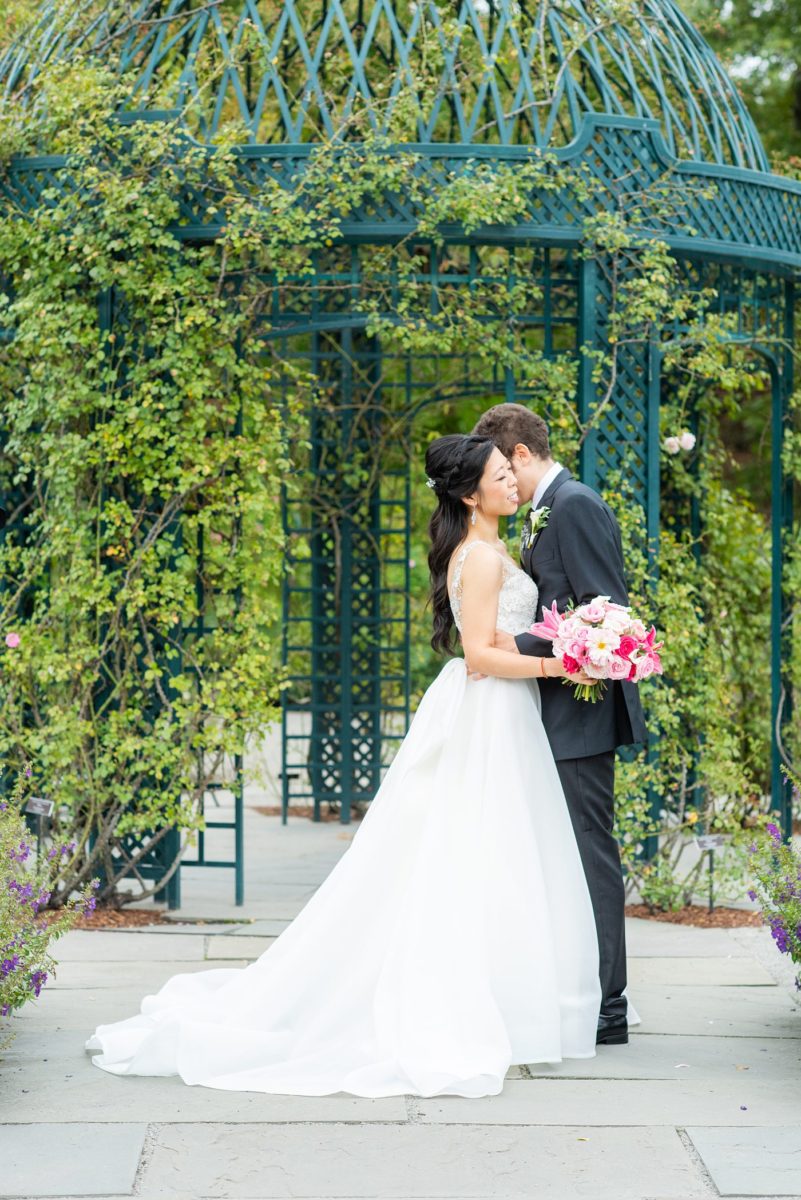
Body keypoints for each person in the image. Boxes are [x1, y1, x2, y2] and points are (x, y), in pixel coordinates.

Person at [86, 434, 601, 1098]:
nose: (512, 482)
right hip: (489, 707)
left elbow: (494, 634)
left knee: (494, 854)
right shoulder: (478, 558)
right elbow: (477, 655)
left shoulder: (492, 548)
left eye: (510, 471)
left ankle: (505, 991)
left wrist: (536, 642)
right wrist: (560, 662)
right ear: (470, 493)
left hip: (505, 712)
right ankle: (470, 997)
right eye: (500, 475)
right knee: (476, 849)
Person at [473, 404, 647, 1046]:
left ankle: (609, 1006)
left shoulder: (573, 504)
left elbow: (608, 617)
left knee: (588, 850)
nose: (503, 485)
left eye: (501, 469)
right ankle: (574, 989)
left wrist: (518, 645)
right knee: (557, 855)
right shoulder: (545, 509)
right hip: (546, 713)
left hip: (580, 714)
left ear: (519, 455)